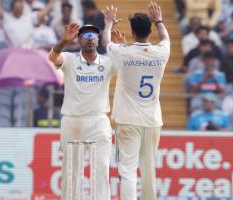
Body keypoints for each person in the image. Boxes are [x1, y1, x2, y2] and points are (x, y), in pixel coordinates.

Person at [102, 2, 170, 199]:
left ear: (132, 31)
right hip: (152, 121)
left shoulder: (124, 53)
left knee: (128, 171)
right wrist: (158, 20)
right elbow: (165, 37)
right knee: (149, 171)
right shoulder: (161, 53)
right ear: (150, 30)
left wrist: (108, 24)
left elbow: (106, 43)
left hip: (128, 120)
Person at [48, 23, 114, 199]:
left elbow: (121, 58)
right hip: (73, 121)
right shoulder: (70, 59)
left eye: (93, 35)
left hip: (99, 121)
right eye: (85, 35)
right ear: (78, 40)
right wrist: (63, 40)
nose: (90, 38)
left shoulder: (108, 62)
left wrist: (109, 25)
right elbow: (53, 57)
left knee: (101, 170)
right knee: (71, 172)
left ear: (98, 40)